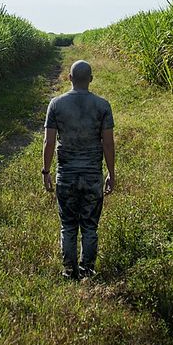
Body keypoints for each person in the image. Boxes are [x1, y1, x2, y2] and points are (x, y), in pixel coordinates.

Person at [42, 59, 115, 280]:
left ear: (70, 78)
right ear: (91, 79)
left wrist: (46, 171)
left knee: (68, 225)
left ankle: (69, 270)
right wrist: (111, 174)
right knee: (90, 226)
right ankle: (87, 271)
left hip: (66, 174)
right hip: (92, 174)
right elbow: (108, 144)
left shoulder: (56, 104)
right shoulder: (103, 106)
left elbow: (49, 142)